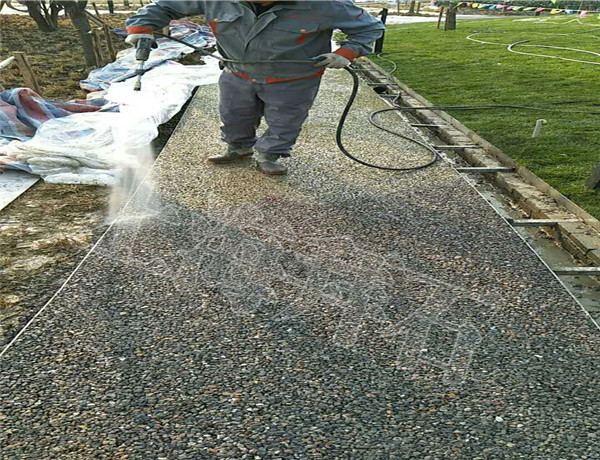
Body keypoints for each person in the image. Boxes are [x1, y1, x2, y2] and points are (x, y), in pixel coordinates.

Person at [126, 1, 384, 175]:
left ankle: (269, 156)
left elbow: (370, 27)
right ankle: (238, 148)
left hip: (294, 79)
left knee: (285, 120)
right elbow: (163, 6)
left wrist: (346, 53)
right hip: (237, 72)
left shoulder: (325, 4)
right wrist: (140, 28)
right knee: (234, 115)